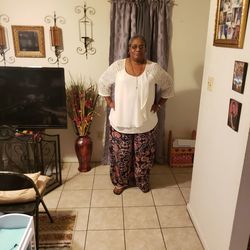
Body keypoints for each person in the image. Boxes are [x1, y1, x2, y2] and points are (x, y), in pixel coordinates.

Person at [98, 35, 174, 195]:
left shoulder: (153, 68)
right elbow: (102, 83)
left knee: (144, 158)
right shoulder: (118, 67)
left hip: (145, 124)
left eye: (141, 46)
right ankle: (121, 182)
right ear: (129, 49)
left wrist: (159, 104)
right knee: (121, 157)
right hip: (120, 123)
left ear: (146, 49)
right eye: (134, 46)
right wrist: (109, 102)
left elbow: (168, 86)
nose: (137, 49)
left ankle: (142, 181)